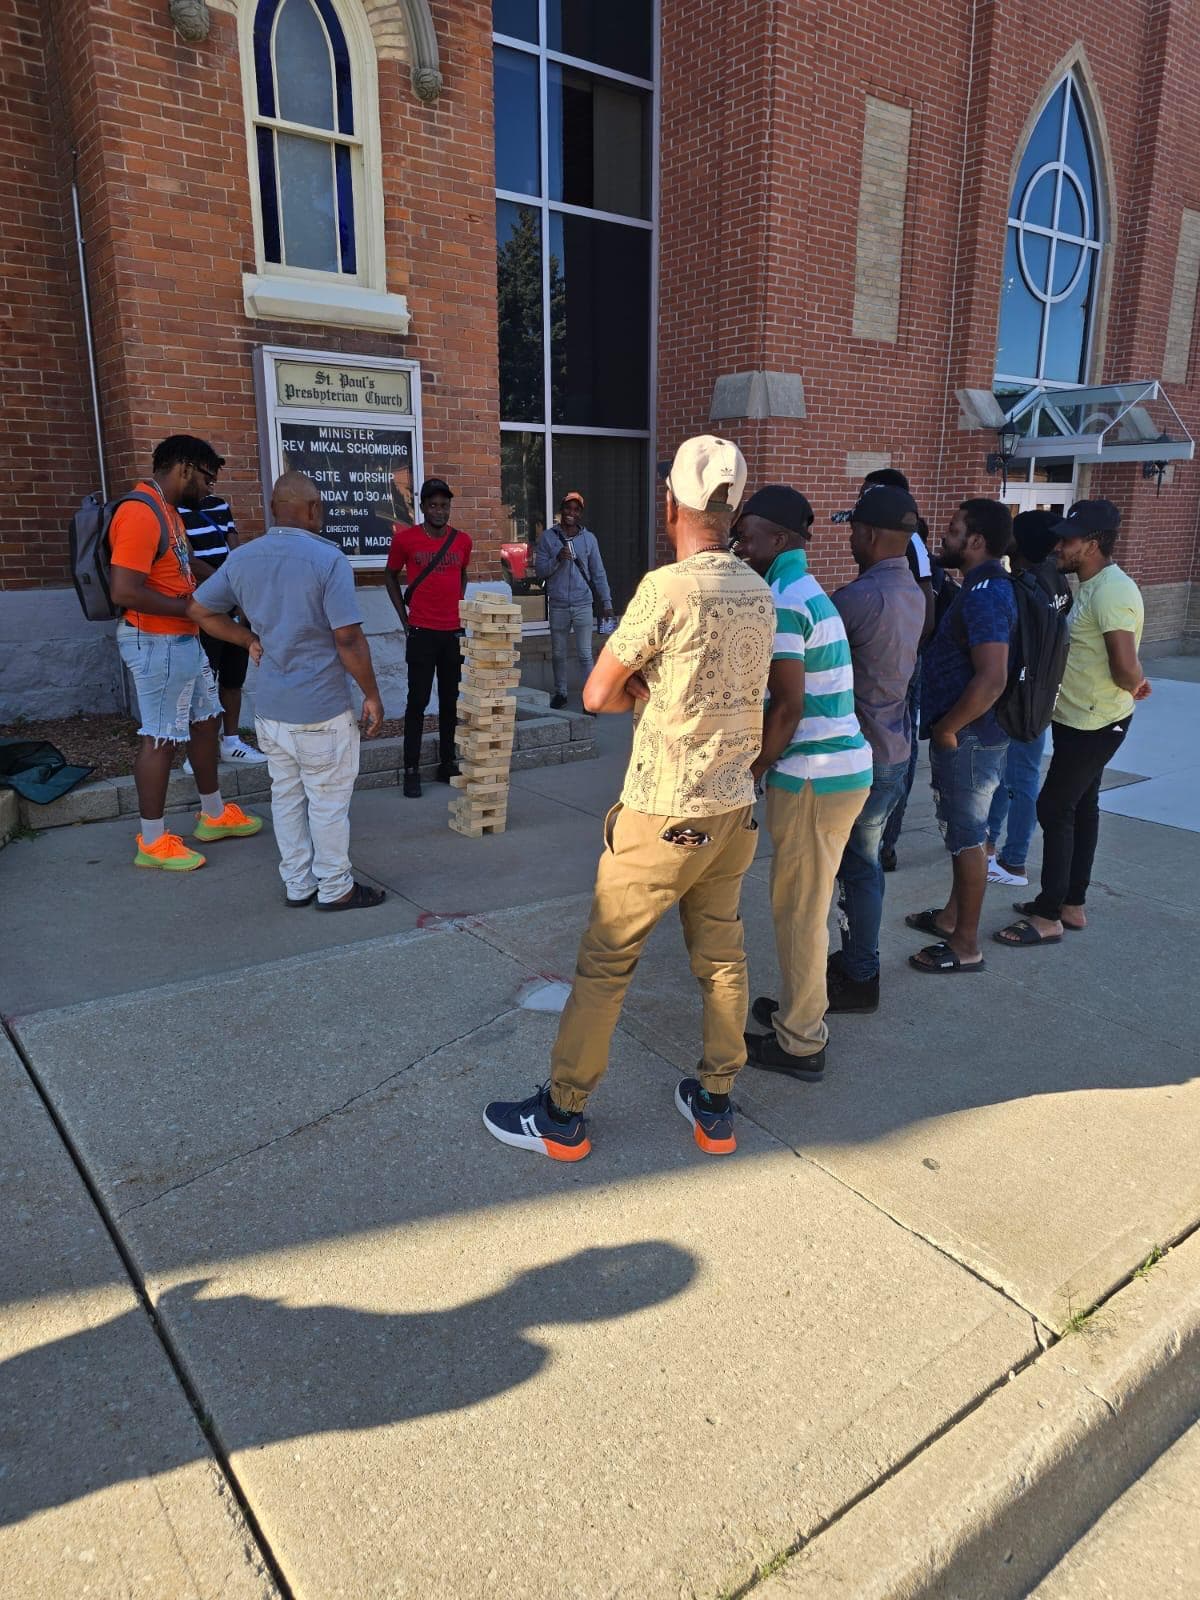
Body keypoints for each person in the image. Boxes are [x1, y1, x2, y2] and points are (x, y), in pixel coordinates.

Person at [482, 436, 774, 1161]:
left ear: (671, 501)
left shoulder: (666, 588)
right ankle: (715, 1105)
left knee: (607, 964)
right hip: (733, 808)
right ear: (733, 508)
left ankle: (563, 1115)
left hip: (663, 810)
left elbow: (595, 692)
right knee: (724, 960)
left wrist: (643, 692)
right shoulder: (760, 590)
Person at [195, 472, 387, 911]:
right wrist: (371, 694)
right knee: (327, 801)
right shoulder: (327, 559)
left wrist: (246, 640)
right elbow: (348, 638)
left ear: (273, 508)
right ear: (314, 508)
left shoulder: (243, 558)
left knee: (285, 797)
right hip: (320, 708)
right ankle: (336, 887)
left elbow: (199, 609)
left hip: (272, 710)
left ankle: (298, 884)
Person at [734, 485, 872, 1079]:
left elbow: (787, 708)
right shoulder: (799, 590)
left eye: (748, 534)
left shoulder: (785, 598)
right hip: (834, 773)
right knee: (802, 907)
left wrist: (753, 771)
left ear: (780, 540)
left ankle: (800, 1043)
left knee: (798, 912)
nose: (740, 544)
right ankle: (799, 1009)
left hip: (814, 776)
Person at [995, 500, 1148, 949]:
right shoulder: (1088, 584)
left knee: (1054, 807)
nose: (1058, 546)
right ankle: (1071, 904)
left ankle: (1048, 917)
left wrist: (1137, 683)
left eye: (1068, 539)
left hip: (1097, 724)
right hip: (1078, 719)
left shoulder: (1113, 592)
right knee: (1081, 806)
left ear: (1094, 544)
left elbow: (1124, 667)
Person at [107, 435, 264, 873]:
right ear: (185, 468)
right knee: (159, 738)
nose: (210, 488)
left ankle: (213, 816)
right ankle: (153, 842)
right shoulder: (139, 513)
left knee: (205, 720)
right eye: (208, 479)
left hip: (183, 637)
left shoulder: (168, 512)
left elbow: (187, 566)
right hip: (156, 640)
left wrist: (227, 593)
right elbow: (125, 590)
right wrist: (193, 608)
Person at [828, 484, 927, 1012]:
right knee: (861, 866)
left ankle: (859, 971)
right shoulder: (913, 590)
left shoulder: (860, 598)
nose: (849, 538)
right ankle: (854, 960)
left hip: (861, 755)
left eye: (852, 530)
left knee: (856, 868)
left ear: (866, 534)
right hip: (893, 748)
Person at [906, 498, 1015, 974]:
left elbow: (992, 677)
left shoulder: (988, 591)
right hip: (969, 734)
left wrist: (949, 727)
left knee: (967, 837)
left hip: (969, 736)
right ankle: (952, 918)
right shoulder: (977, 586)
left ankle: (966, 944)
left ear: (975, 541)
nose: (943, 539)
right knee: (961, 833)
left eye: (952, 530)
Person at [985, 510, 1074, 888]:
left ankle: (1014, 861)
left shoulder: (1023, 587)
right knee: (1013, 774)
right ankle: (990, 844)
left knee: (1019, 777)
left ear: (1018, 543)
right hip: (1040, 694)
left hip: (1020, 697)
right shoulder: (1057, 582)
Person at [384, 478, 472, 798]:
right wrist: (404, 619)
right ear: (422, 507)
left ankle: (447, 762)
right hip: (421, 632)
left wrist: (457, 607)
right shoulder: (406, 540)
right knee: (417, 703)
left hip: (452, 633)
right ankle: (412, 769)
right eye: (433, 505)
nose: (439, 510)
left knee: (450, 701)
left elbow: (462, 573)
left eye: (444, 505)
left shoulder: (462, 541)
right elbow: (389, 576)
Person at [180, 488, 266, 766]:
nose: (210, 482)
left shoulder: (219, 504)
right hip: (205, 607)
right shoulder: (175, 510)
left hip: (232, 603)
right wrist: (225, 584)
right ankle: (197, 753)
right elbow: (188, 559)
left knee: (233, 679)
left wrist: (238, 590)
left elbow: (235, 550)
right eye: (206, 476)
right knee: (203, 681)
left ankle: (231, 742)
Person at [534, 491, 614, 709]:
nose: (571, 513)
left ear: (581, 514)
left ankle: (591, 700)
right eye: (568, 508)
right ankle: (561, 693)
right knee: (558, 654)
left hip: (582, 604)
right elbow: (540, 571)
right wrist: (557, 559)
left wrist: (606, 603)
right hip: (558, 604)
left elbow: (598, 572)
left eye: (576, 509)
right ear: (561, 510)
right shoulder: (548, 538)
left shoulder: (589, 539)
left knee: (585, 654)